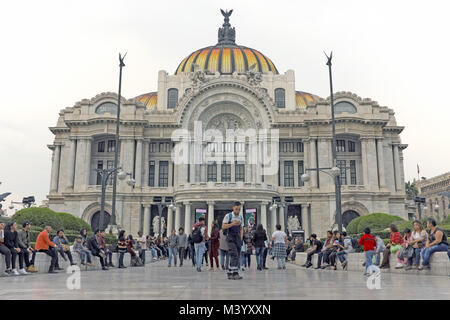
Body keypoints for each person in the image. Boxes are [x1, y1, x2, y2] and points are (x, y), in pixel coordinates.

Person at [222, 201, 244, 280]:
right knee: (234, 254)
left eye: (239, 209)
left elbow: (241, 228)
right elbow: (223, 226)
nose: (237, 211)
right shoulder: (228, 216)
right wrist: (233, 224)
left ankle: (230, 272)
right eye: (236, 209)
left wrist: (241, 238)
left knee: (237, 255)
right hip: (230, 237)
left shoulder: (241, 217)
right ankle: (235, 273)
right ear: (233, 208)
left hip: (237, 237)